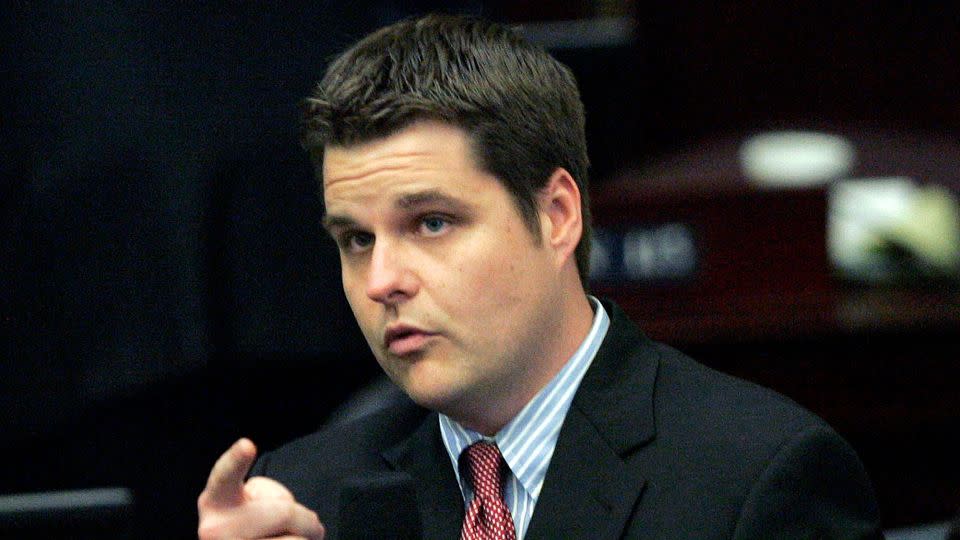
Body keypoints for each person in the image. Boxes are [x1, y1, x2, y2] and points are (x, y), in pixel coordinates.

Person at [197, 14, 881, 539]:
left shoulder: (759, 480)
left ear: (556, 216)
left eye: (431, 222)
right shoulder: (301, 494)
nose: (381, 280)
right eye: (355, 239)